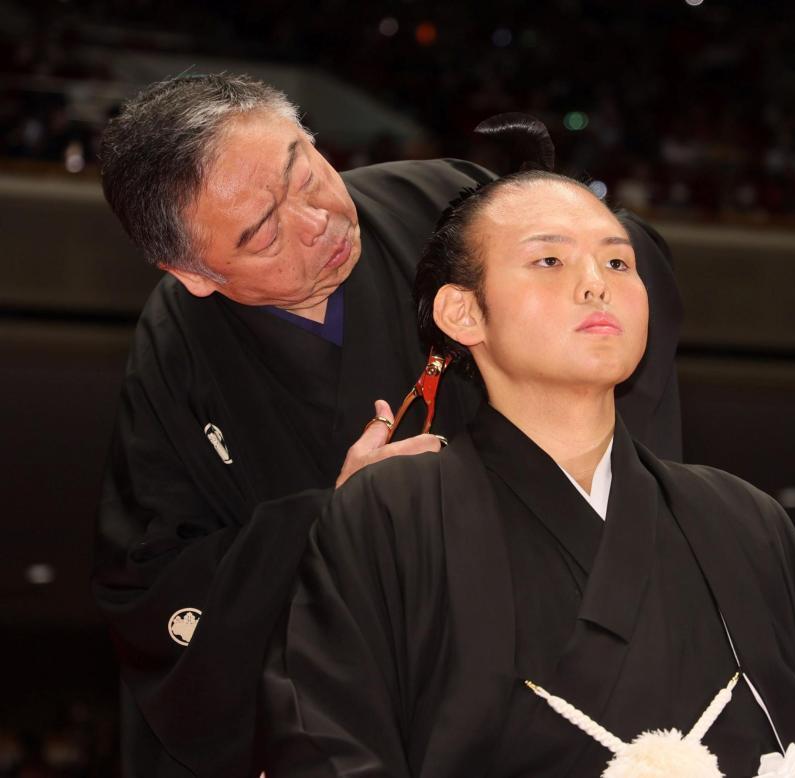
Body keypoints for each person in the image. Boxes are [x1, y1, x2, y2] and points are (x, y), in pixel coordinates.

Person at [259, 119, 795, 778]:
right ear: (463, 312)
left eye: (619, 261)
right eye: (549, 259)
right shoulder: (391, 510)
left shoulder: (740, 517)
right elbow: (327, 745)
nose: (598, 281)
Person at [91, 77, 683, 777]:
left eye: (304, 172)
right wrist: (338, 522)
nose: (316, 223)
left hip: (554, 658)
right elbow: (157, 588)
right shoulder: (176, 356)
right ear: (191, 270)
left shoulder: (447, 205)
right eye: (261, 232)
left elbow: (629, 281)